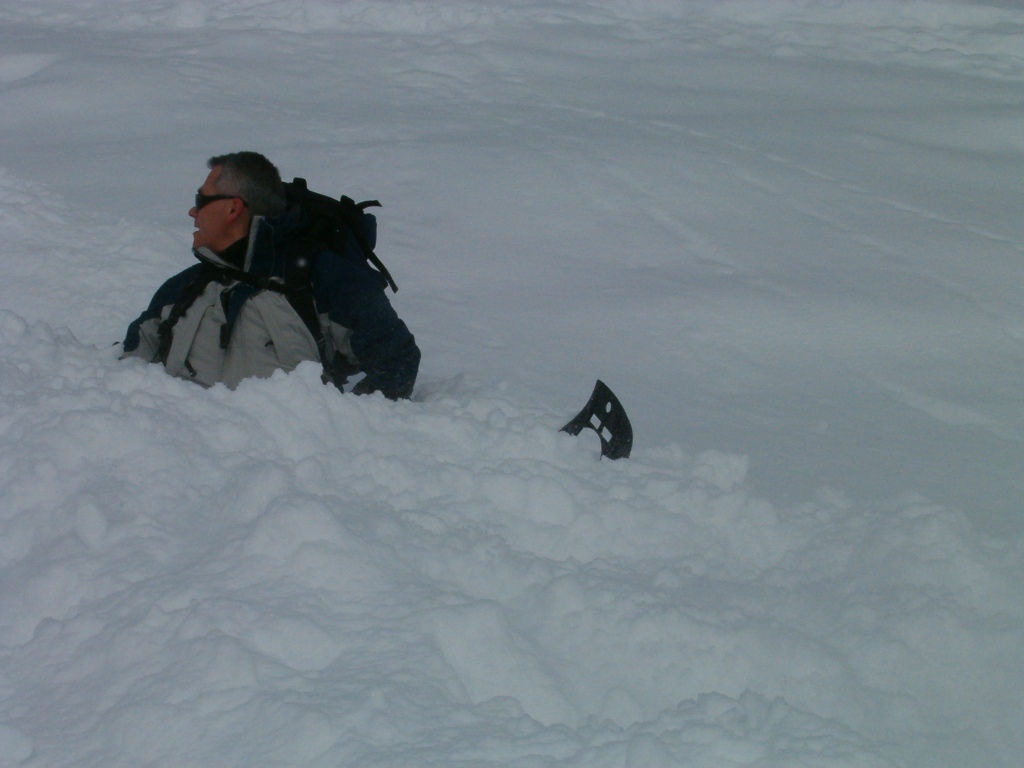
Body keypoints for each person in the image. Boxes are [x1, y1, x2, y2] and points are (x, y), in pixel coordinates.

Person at [121, 151, 420, 399]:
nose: (192, 211)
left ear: (232, 208)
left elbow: (397, 363)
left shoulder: (327, 280)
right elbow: (124, 366)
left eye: (201, 200)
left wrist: (343, 428)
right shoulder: (183, 289)